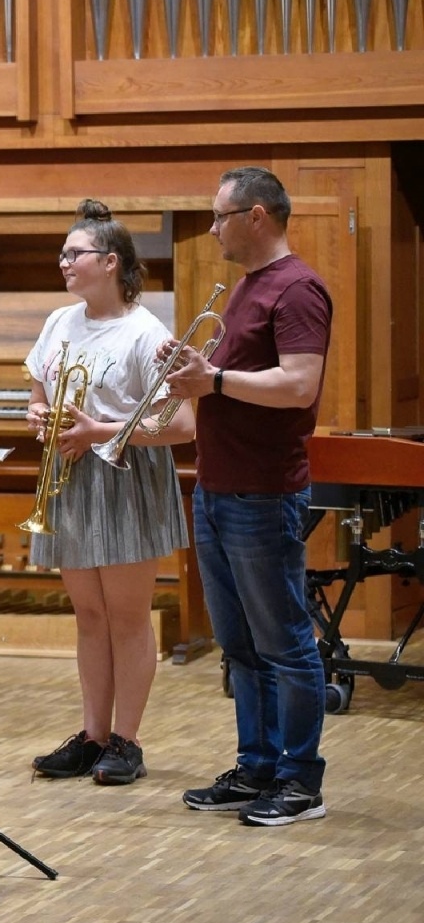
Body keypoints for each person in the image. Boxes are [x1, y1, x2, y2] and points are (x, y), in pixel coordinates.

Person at [162, 167, 332, 827]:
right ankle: (257, 766)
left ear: (256, 216)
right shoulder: (246, 287)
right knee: (240, 646)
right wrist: (193, 370)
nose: (212, 229)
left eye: (220, 216)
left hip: (263, 493)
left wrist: (214, 379)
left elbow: (299, 384)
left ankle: (300, 780)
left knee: (285, 643)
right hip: (216, 488)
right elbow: (228, 378)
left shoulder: (298, 289)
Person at [26, 200, 194, 786]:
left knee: (126, 617)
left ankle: (127, 740)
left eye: (75, 253)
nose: (64, 262)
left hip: (124, 476)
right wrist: (38, 414)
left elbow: (181, 424)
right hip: (71, 474)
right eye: (63, 253)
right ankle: (93, 736)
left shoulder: (146, 333)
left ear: (111, 262)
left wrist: (98, 430)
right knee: (90, 616)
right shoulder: (58, 321)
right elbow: (38, 393)